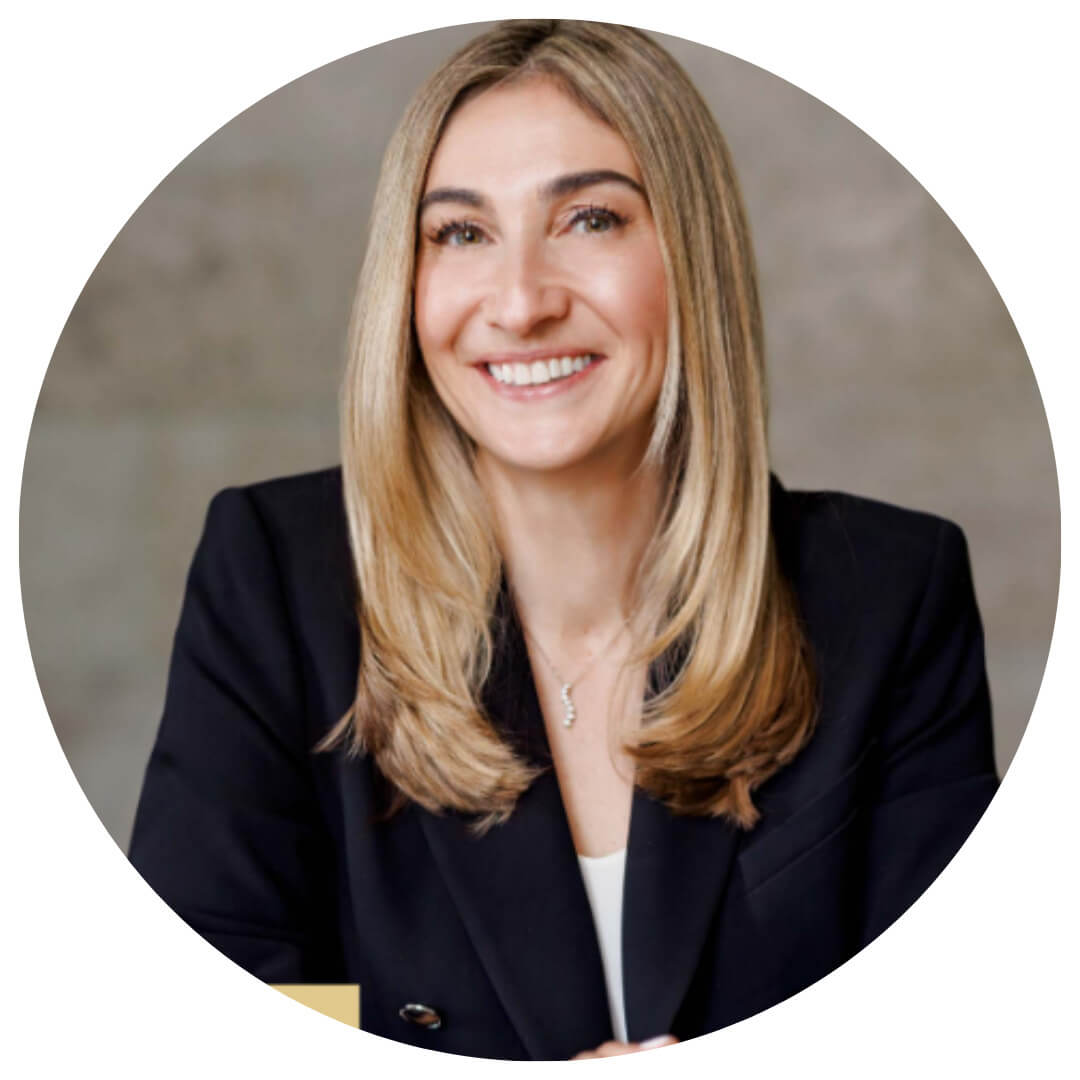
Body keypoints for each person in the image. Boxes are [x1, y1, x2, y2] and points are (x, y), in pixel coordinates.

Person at [128, 20, 999, 1062]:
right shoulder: (278, 576)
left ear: (693, 257)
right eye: (460, 233)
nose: (523, 301)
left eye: (590, 219)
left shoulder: (888, 593)